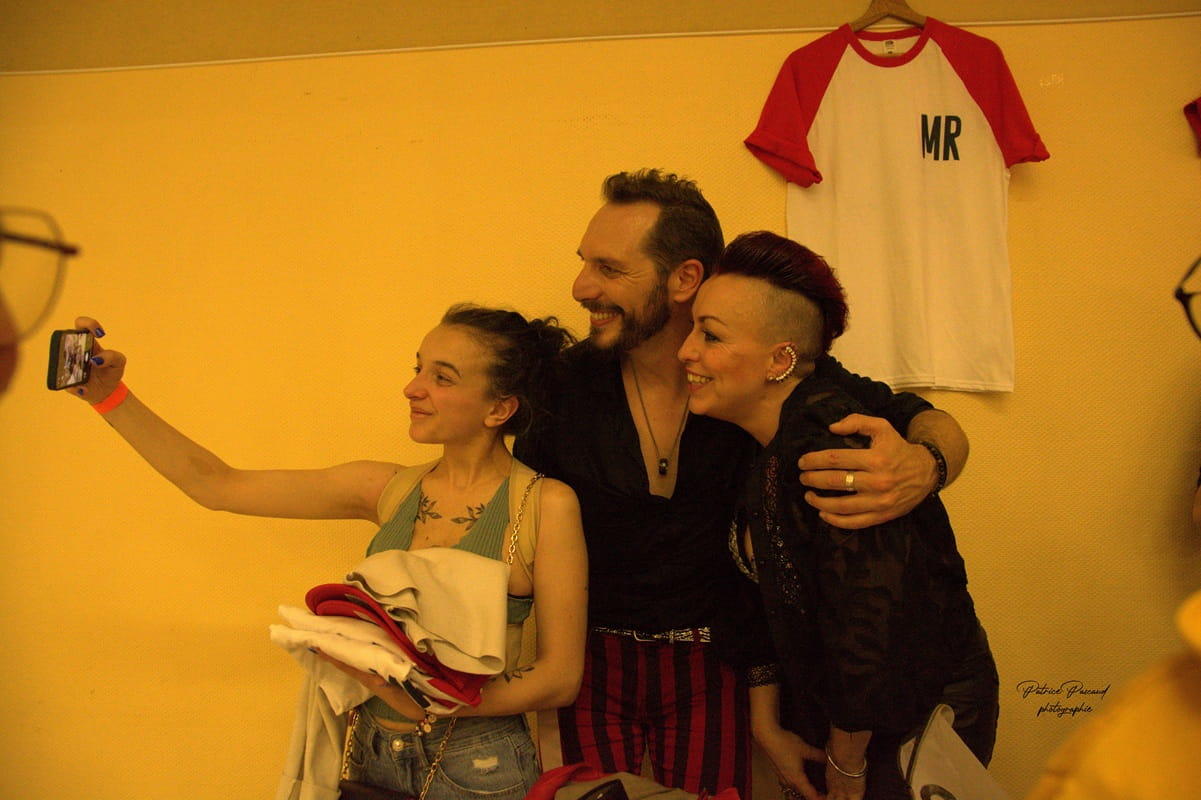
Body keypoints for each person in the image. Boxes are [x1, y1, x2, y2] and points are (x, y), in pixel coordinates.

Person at [514, 170, 972, 797]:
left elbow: (922, 421)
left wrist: (927, 465)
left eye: (609, 269)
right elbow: (518, 518)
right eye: (584, 263)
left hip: (724, 669)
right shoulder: (563, 387)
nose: (581, 287)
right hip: (594, 665)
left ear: (685, 278)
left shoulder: (776, 388)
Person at [65, 305, 588, 800]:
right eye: (418, 369)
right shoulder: (386, 489)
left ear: (499, 408)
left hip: (479, 765)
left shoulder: (544, 505)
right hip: (372, 754)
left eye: (442, 377)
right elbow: (217, 485)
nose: (412, 388)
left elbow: (559, 678)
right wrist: (109, 397)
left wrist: (423, 700)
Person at [677, 231, 998, 800]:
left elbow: (867, 621)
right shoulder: (746, 435)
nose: (686, 351)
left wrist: (847, 762)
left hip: (919, 712)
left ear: (780, 360)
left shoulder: (832, 442)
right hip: (839, 715)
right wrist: (767, 723)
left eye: (711, 334)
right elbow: (754, 602)